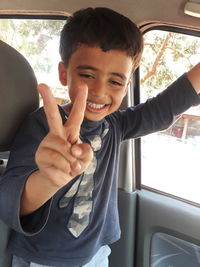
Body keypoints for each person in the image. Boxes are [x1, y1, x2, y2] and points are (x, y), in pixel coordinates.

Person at [0, 7, 200, 267]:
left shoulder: (115, 125)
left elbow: (163, 108)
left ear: (127, 86)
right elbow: (10, 200)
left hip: (96, 254)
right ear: (64, 73)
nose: (99, 91)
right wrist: (47, 179)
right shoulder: (40, 126)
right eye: (87, 75)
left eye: (115, 82)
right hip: (43, 258)